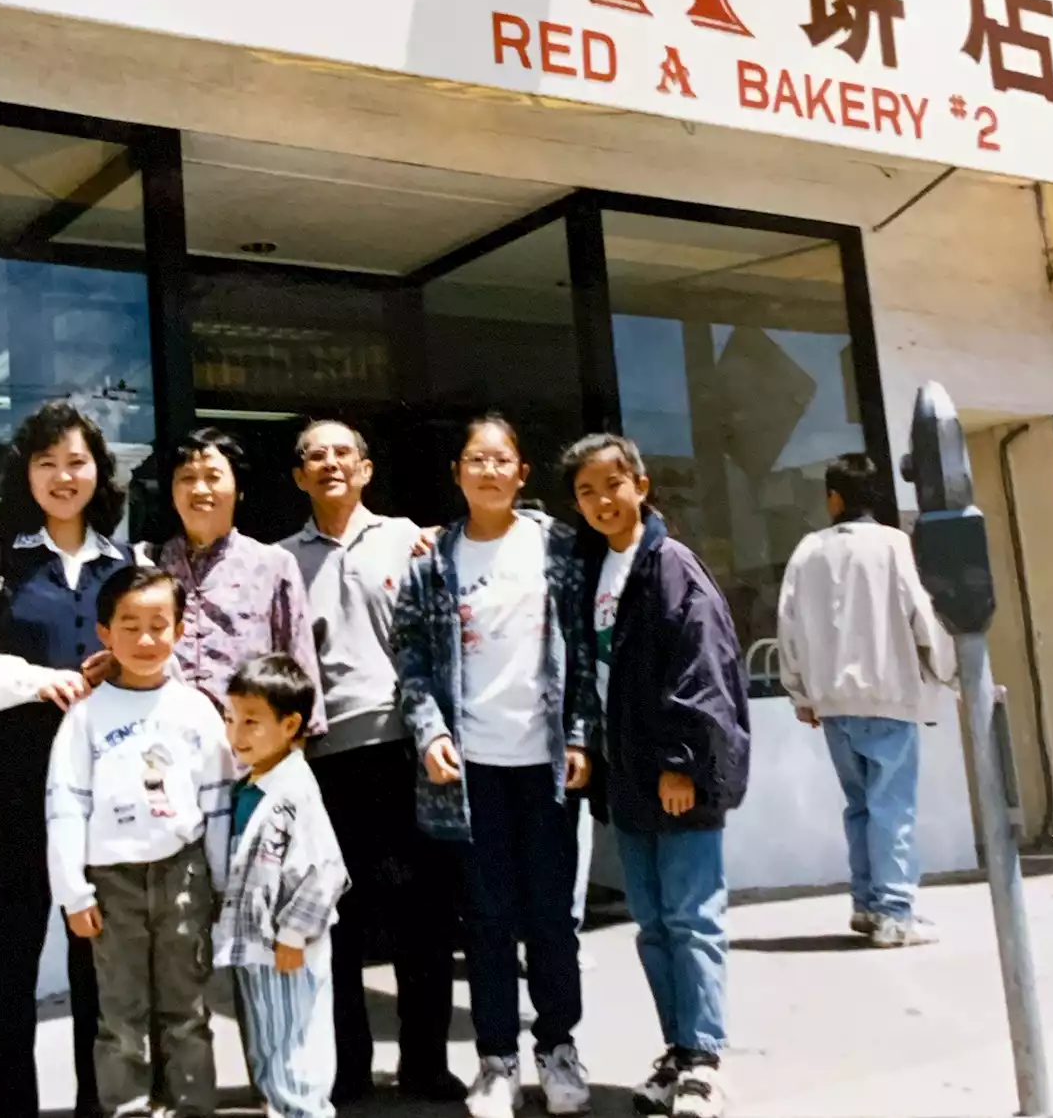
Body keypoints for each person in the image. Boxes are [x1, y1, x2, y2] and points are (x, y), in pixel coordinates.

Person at [0, 401, 139, 1118]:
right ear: (27, 472)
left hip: (104, 792)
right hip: (14, 781)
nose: (63, 476)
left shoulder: (126, 562)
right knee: (5, 965)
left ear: (97, 470)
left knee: (100, 969)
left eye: (76, 461)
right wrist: (34, 681)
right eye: (46, 462)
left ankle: (99, 1106)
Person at [395, 416, 596, 1118]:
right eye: (475, 460)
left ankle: (559, 1050)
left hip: (544, 767)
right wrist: (428, 734)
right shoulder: (431, 562)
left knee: (551, 917)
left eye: (500, 459)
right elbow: (412, 662)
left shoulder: (560, 549)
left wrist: (579, 737)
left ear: (521, 473)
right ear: (457, 473)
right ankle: (497, 1061)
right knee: (485, 918)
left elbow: (584, 657)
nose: (488, 471)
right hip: (470, 769)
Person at [564, 433, 749, 1118]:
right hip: (629, 779)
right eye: (586, 491)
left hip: (676, 777)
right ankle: (676, 1050)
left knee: (692, 919)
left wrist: (683, 763)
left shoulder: (670, 565)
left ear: (641, 486)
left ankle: (704, 1057)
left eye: (613, 484)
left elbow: (702, 671)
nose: (602, 500)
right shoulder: (599, 569)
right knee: (654, 925)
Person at [280, 420, 463, 1104]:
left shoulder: (409, 541)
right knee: (339, 921)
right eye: (313, 457)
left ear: (365, 468)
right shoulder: (282, 561)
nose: (329, 464)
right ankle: (346, 1068)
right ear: (299, 477)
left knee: (425, 916)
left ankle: (426, 1063)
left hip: (409, 751)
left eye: (341, 453)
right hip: (324, 761)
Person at [47, 566, 230, 1118]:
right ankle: (125, 1106)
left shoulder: (196, 710)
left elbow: (218, 800)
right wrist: (72, 892)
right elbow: (64, 805)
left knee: (188, 1010)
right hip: (111, 886)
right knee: (120, 1016)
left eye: (159, 624)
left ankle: (192, 1106)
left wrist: (221, 882)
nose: (146, 640)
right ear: (104, 633)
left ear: (179, 629)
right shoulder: (85, 718)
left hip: (184, 875)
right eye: (130, 625)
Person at [778, 451, 949, 949]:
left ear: (833, 497)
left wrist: (800, 693)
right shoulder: (894, 544)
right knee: (891, 807)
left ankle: (867, 904)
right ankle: (895, 913)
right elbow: (921, 614)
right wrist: (947, 674)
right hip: (888, 695)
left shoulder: (807, 549)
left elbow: (787, 627)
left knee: (859, 806)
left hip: (832, 703)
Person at [215, 654, 350, 1118]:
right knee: (267, 1042)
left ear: (290, 724)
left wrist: (296, 931)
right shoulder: (251, 784)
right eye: (231, 718)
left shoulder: (295, 791)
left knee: (296, 1046)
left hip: (287, 946)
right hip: (256, 944)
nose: (237, 733)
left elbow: (326, 868)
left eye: (252, 721)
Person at [158, 428, 323, 719]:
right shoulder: (149, 564)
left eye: (213, 477)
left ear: (239, 488)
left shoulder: (273, 565)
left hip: (249, 747)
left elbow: (298, 663)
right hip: (164, 742)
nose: (199, 489)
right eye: (187, 478)